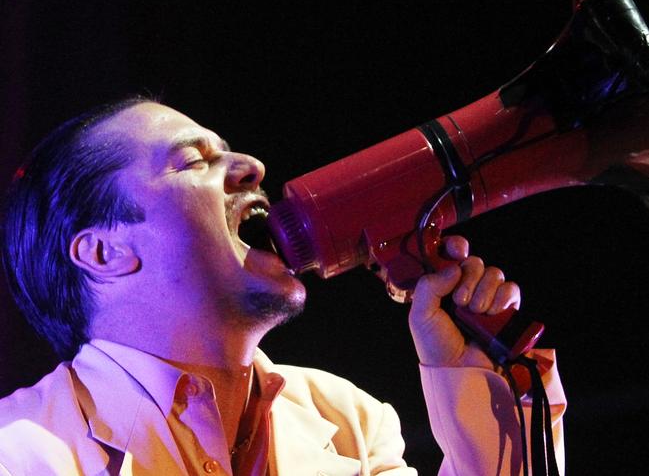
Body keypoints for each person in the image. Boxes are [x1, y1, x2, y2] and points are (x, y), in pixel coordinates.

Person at [0, 98, 566, 475]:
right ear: (105, 251)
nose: (251, 166)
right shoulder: (20, 451)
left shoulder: (346, 419)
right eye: (194, 161)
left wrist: (487, 392)